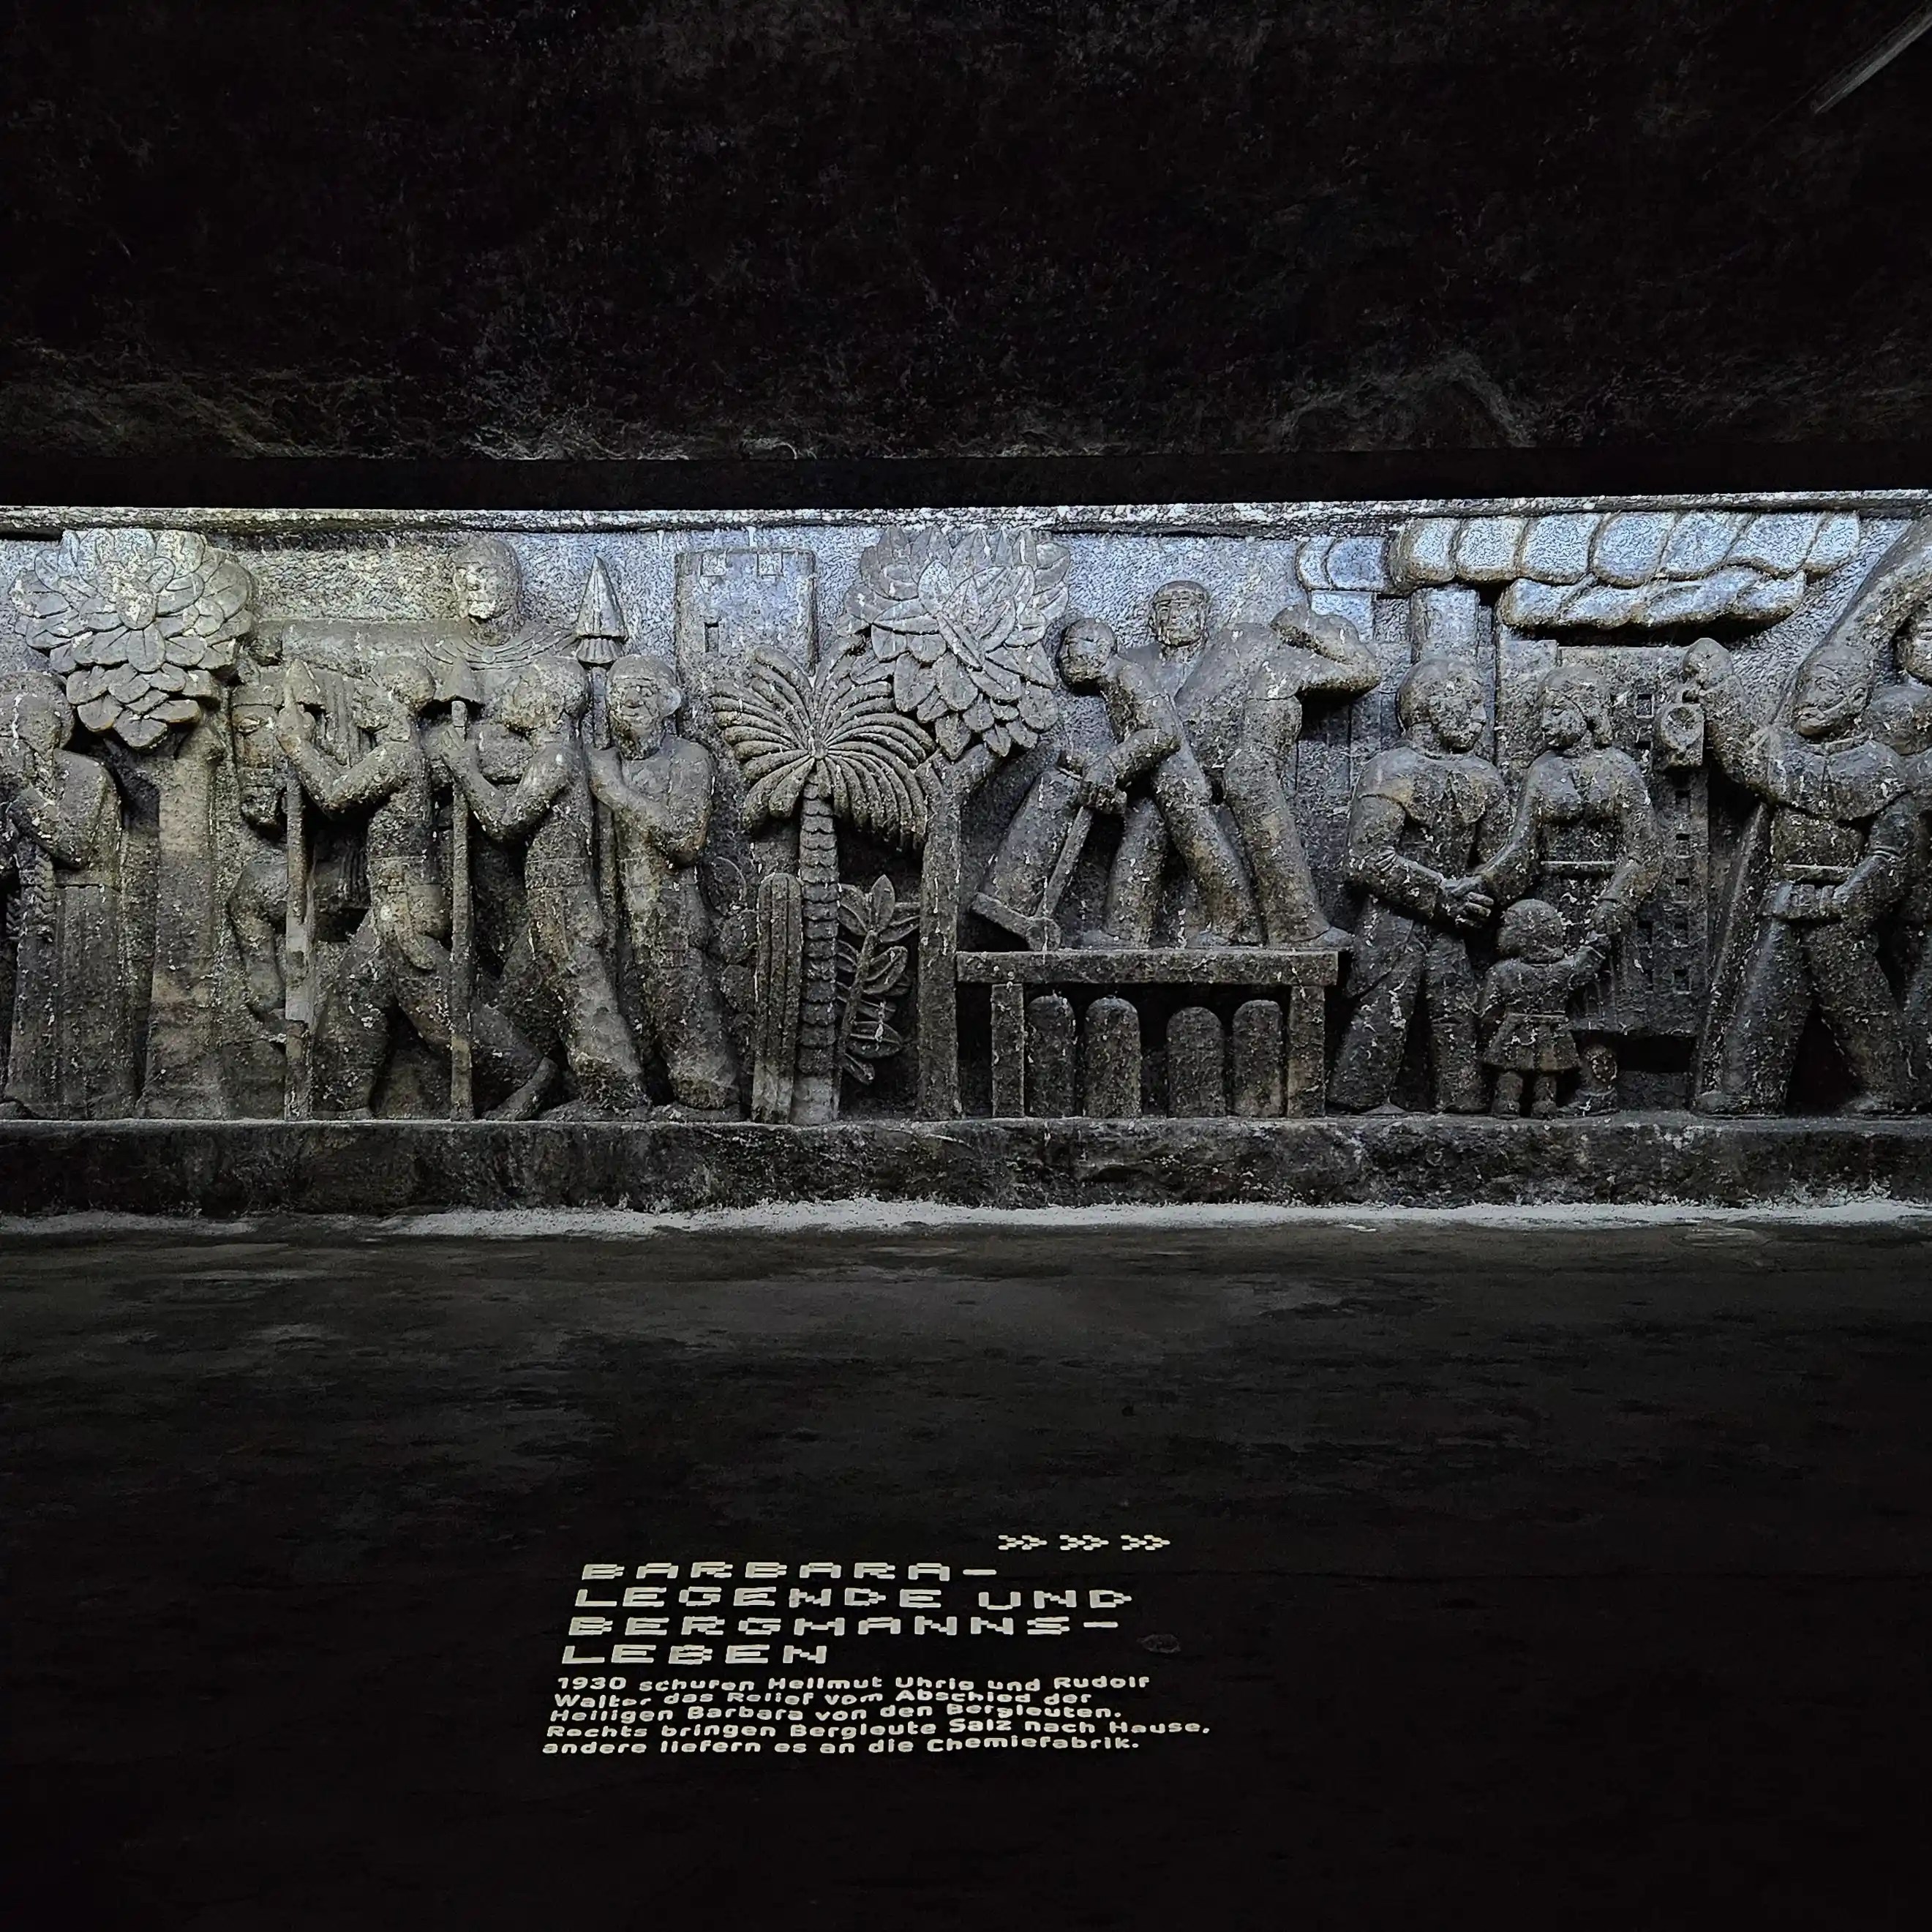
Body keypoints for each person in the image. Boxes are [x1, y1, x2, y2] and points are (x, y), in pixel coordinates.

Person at [274, 649, 554, 1119]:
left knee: (438, 1014)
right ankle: (339, 1108)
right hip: (391, 907)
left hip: (403, 911)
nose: (361, 700)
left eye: (371, 690)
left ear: (395, 700)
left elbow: (336, 797)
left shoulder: (399, 756)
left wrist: (297, 747)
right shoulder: (401, 755)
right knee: (354, 1000)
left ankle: (528, 1074)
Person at [1685, 635, 1917, 1115]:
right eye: (1808, 684)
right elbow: (1739, 756)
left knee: (1857, 1001)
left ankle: (1893, 1088)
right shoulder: (1785, 754)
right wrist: (1718, 682)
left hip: (1838, 910)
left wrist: (1847, 900)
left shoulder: (1879, 768)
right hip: (1786, 897)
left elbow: (1890, 853)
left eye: (1827, 686)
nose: (1810, 696)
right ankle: (1749, 1091)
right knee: (1763, 998)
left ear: (1855, 698)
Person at [430, 655, 646, 1117]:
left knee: (586, 997)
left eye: (526, 684)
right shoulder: (551, 755)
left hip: (563, 898)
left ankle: (620, 1100)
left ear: (551, 705)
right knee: (556, 1000)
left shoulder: (556, 757)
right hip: (550, 897)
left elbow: (505, 821)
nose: (514, 690)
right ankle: (548, 1088)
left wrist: (464, 769)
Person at [1476, 661, 1662, 1112]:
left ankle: (1598, 1088)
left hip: (1609, 894)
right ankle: (1539, 1089)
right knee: (1550, 991)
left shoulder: (1620, 769)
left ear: (1589, 711)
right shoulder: (1543, 771)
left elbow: (1646, 850)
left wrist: (1617, 899)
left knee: (1601, 995)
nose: (1546, 722)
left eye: (1557, 711)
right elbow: (1522, 847)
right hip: (1552, 898)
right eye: (1544, 711)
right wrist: (1481, 884)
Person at [1329, 655, 1511, 1113]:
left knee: (1457, 1016)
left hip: (1454, 929)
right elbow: (1365, 859)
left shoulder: (1483, 777)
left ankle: (1464, 1103)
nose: (1481, 718)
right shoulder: (1390, 769)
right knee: (1383, 1011)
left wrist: (1482, 895)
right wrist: (1440, 894)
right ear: (1430, 706)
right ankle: (1362, 1100)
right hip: (1394, 925)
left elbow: (1498, 860)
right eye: (1468, 704)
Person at [586, 656, 740, 1114]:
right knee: (629, 1018)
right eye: (620, 691)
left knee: (681, 1008)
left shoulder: (689, 759)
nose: (631, 700)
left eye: (644, 690)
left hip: (669, 913)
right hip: (613, 914)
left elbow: (686, 840)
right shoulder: (600, 761)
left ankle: (710, 1099)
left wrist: (615, 792)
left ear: (669, 701)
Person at [1056, 617, 1259, 947]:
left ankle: (1238, 924)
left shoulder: (1128, 676)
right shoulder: (1115, 683)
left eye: (1074, 644)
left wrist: (1111, 766)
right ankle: (1124, 931)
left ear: (1102, 648)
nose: (1065, 655)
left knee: (1205, 852)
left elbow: (1163, 735)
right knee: (1138, 851)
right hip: (1153, 787)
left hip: (1177, 785)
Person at [0, 676, 134, 1119]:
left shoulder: (85, 773)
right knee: (34, 997)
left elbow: (73, 846)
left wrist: (22, 794)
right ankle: (30, 1095)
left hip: (84, 902)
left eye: (21, 727)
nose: (13, 738)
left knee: (84, 997)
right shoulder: (17, 788)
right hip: (38, 907)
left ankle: (95, 1099)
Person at [1478, 898, 1611, 1118]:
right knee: (1547, 1070)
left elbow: (1488, 1011)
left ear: (1525, 934)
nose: (1501, 932)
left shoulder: (1501, 972)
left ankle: (1507, 1103)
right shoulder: (1562, 971)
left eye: (1507, 925)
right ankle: (1544, 1105)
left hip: (1514, 1030)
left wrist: (1489, 1035)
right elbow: (1585, 965)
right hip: (1552, 1031)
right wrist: (1599, 941)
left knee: (1511, 1069)